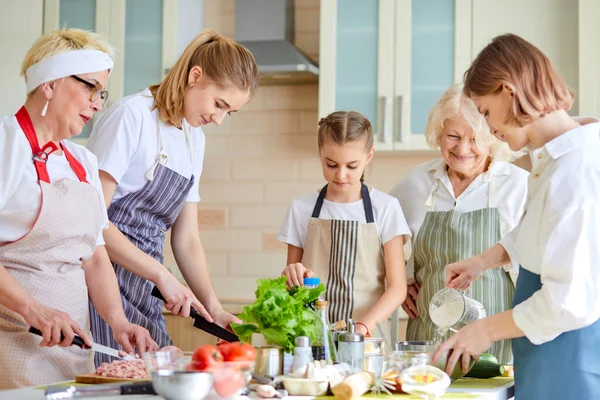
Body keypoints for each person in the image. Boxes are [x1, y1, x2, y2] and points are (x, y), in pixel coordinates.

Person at [433, 34, 600, 398]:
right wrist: (483, 260)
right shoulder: (554, 158)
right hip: (545, 357)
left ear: (509, 91)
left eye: (485, 111)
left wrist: (484, 331)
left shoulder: (575, 170)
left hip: (570, 361)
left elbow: (567, 301)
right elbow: (541, 231)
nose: (488, 127)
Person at [86, 29, 259, 365]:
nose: (219, 120)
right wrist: (161, 275)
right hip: (99, 287)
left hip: (145, 291)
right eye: (219, 104)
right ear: (195, 76)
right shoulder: (131, 116)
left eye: (229, 112)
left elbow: (187, 239)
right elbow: (92, 219)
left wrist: (213, 308)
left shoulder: (195, 139)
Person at [0, 28, 157, 389]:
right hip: (11, 342)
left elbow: (95, 256)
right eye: (90, 87)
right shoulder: (6, 144)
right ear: (50, 84)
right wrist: (33, 309)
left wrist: (118, 322)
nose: (98, 104)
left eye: (102, 93)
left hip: (72, 349)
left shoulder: (82, 161)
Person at [389, 83, 528, 364]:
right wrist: (401, 279)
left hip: (497, 343)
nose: (463, 149)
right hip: (428, 341)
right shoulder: (416, 182)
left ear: (493, 137)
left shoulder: (518, 185)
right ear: (438, 134)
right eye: (452, 136)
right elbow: (383, 237)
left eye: (475, 138)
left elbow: (535, 256)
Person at [278, 111, 409, 336]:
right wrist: (291, 275)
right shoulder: (301, 209)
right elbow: (289, 282)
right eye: (331, 164)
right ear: (320, 155)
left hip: (366, 339)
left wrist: (361, 328)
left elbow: (397, 288)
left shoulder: (386, 208)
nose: (341, 175)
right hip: (311, 337)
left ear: (369, 157)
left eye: (351, 166)